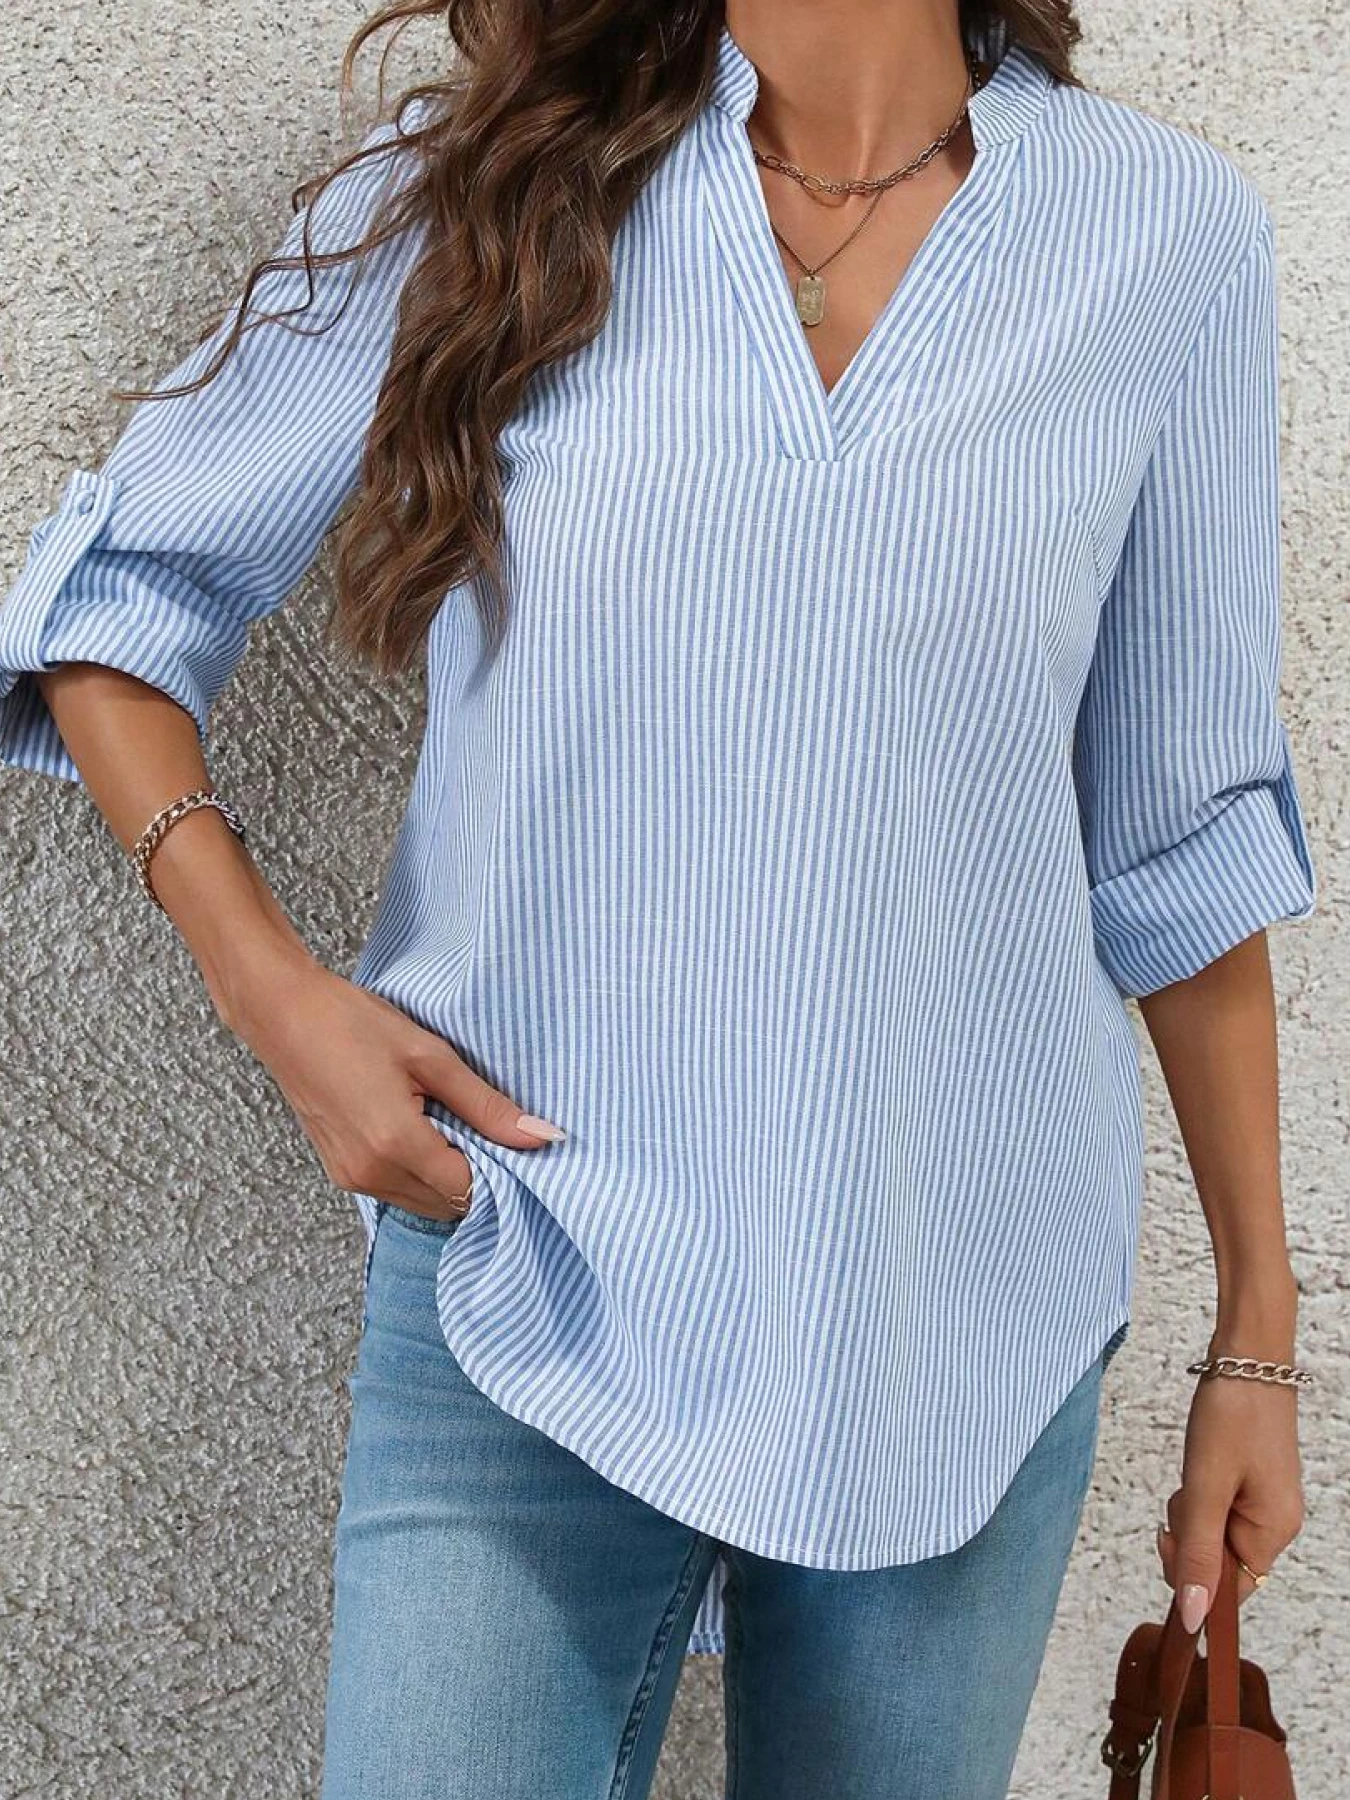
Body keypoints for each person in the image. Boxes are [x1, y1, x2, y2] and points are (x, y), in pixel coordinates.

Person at [0, 2, 1320, 1796]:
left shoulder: (1159, 233)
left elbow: (1179, 835)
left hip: (954, 1298)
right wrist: (275, 996)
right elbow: (118, 601)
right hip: (526, 1255)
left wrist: (1252, 1337)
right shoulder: (496, 182)